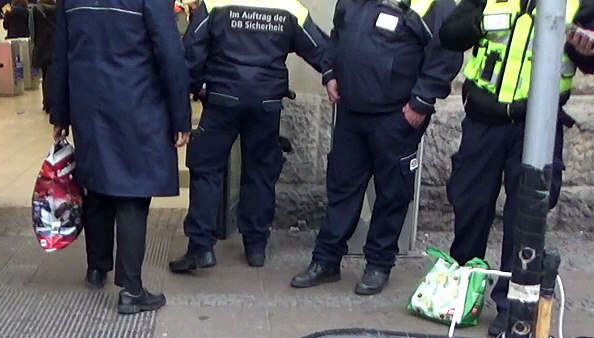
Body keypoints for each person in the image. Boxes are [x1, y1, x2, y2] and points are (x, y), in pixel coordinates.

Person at [440, 0, 594, 334]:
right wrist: (477, 21)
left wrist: (587, 48)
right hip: (483, 118)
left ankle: (512, 302)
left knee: (526, 214)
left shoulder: (582, 3)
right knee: (469, 202)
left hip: (537, 124)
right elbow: (450, 35)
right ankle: (462, 290)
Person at [290, 0, 461, 295]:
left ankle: (379, 264)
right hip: (351, 111)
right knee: (341, 187)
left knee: (392, 193)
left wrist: (421, 100)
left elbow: (447, 50)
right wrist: (330, 72)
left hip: (397, 115)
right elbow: (339, 33)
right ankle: (326, 260)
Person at [167, 0, 329, 273]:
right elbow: (320, 49)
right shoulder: (290, 7)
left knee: (206, 168)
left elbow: (191, 52)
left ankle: (200, 247)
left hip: (222, 98)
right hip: (266, 102)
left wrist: (196, 87)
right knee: (260, 170)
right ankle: (255, 246)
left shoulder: (215, 2)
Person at [50, 0, 190, 315]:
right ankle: (132, 289)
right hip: (136, 105)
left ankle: (97, 268)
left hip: (90, 106)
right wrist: (181, 117)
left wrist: (60, 113)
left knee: (96, 184)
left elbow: (59, 57)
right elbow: (170, 56)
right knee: (132, 193)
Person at [31, 0, 56, 113]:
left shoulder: (36, 10)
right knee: (53, 76)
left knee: (45, 75)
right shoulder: (58, 9)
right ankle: (53, 102)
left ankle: (46, 102)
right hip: (54, 46)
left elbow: (32, 30)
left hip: (41, 46)